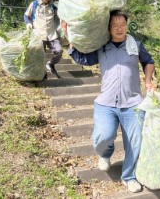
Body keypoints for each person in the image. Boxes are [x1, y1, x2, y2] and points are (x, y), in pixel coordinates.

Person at [63, 10, 155, 193]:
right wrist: (68, 35)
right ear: (108, 28)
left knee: (135, 141)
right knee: (103, 137)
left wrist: (148, 81)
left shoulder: (135, 45)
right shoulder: (102, 46)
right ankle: (105, 154)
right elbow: (83, 59)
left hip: (133, 103)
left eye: (123, 25)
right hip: (106, 103)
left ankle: (129, 176)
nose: (120, 28)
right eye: (115, 25)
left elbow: (148, 61)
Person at [24, 0, 62, 75]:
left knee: (59, 51)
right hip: (39, 35)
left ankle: (51, 64)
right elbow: (26, 16)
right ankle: (42, 75)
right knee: (40, 56)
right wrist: (28, 23)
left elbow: (61, 16)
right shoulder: (34, 5)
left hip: (52, 34)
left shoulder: (53, 7)